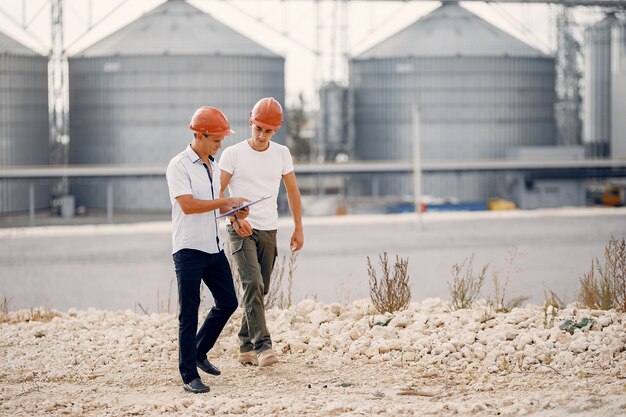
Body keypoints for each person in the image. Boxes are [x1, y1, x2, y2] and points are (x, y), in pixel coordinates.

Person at [166, 106, 249, 394]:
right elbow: (188, 205)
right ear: (199, 135)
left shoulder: (212, 165)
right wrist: (225, 203)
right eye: (216, 139)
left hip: (213, 248)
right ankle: (189, 375)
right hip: (188, 249)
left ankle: (199, 351)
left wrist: (235, 216)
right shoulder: (178, 165)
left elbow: (215, 204)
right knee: (188, 313)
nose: (220, 144)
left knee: (228, 303)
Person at [219, 97, 304, 367]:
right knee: (252, 284)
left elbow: (292, 191)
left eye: (267, 131)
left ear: (275, 130)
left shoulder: (281, 153)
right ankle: (264, 347)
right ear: (250, 122)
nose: (261, 135)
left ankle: (244, 345)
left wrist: (298, 227)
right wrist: (233, 219)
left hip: (269, 228)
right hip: (240, 228)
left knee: (261, 288)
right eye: (258, 129)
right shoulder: (232, 154)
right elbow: (217, 193)